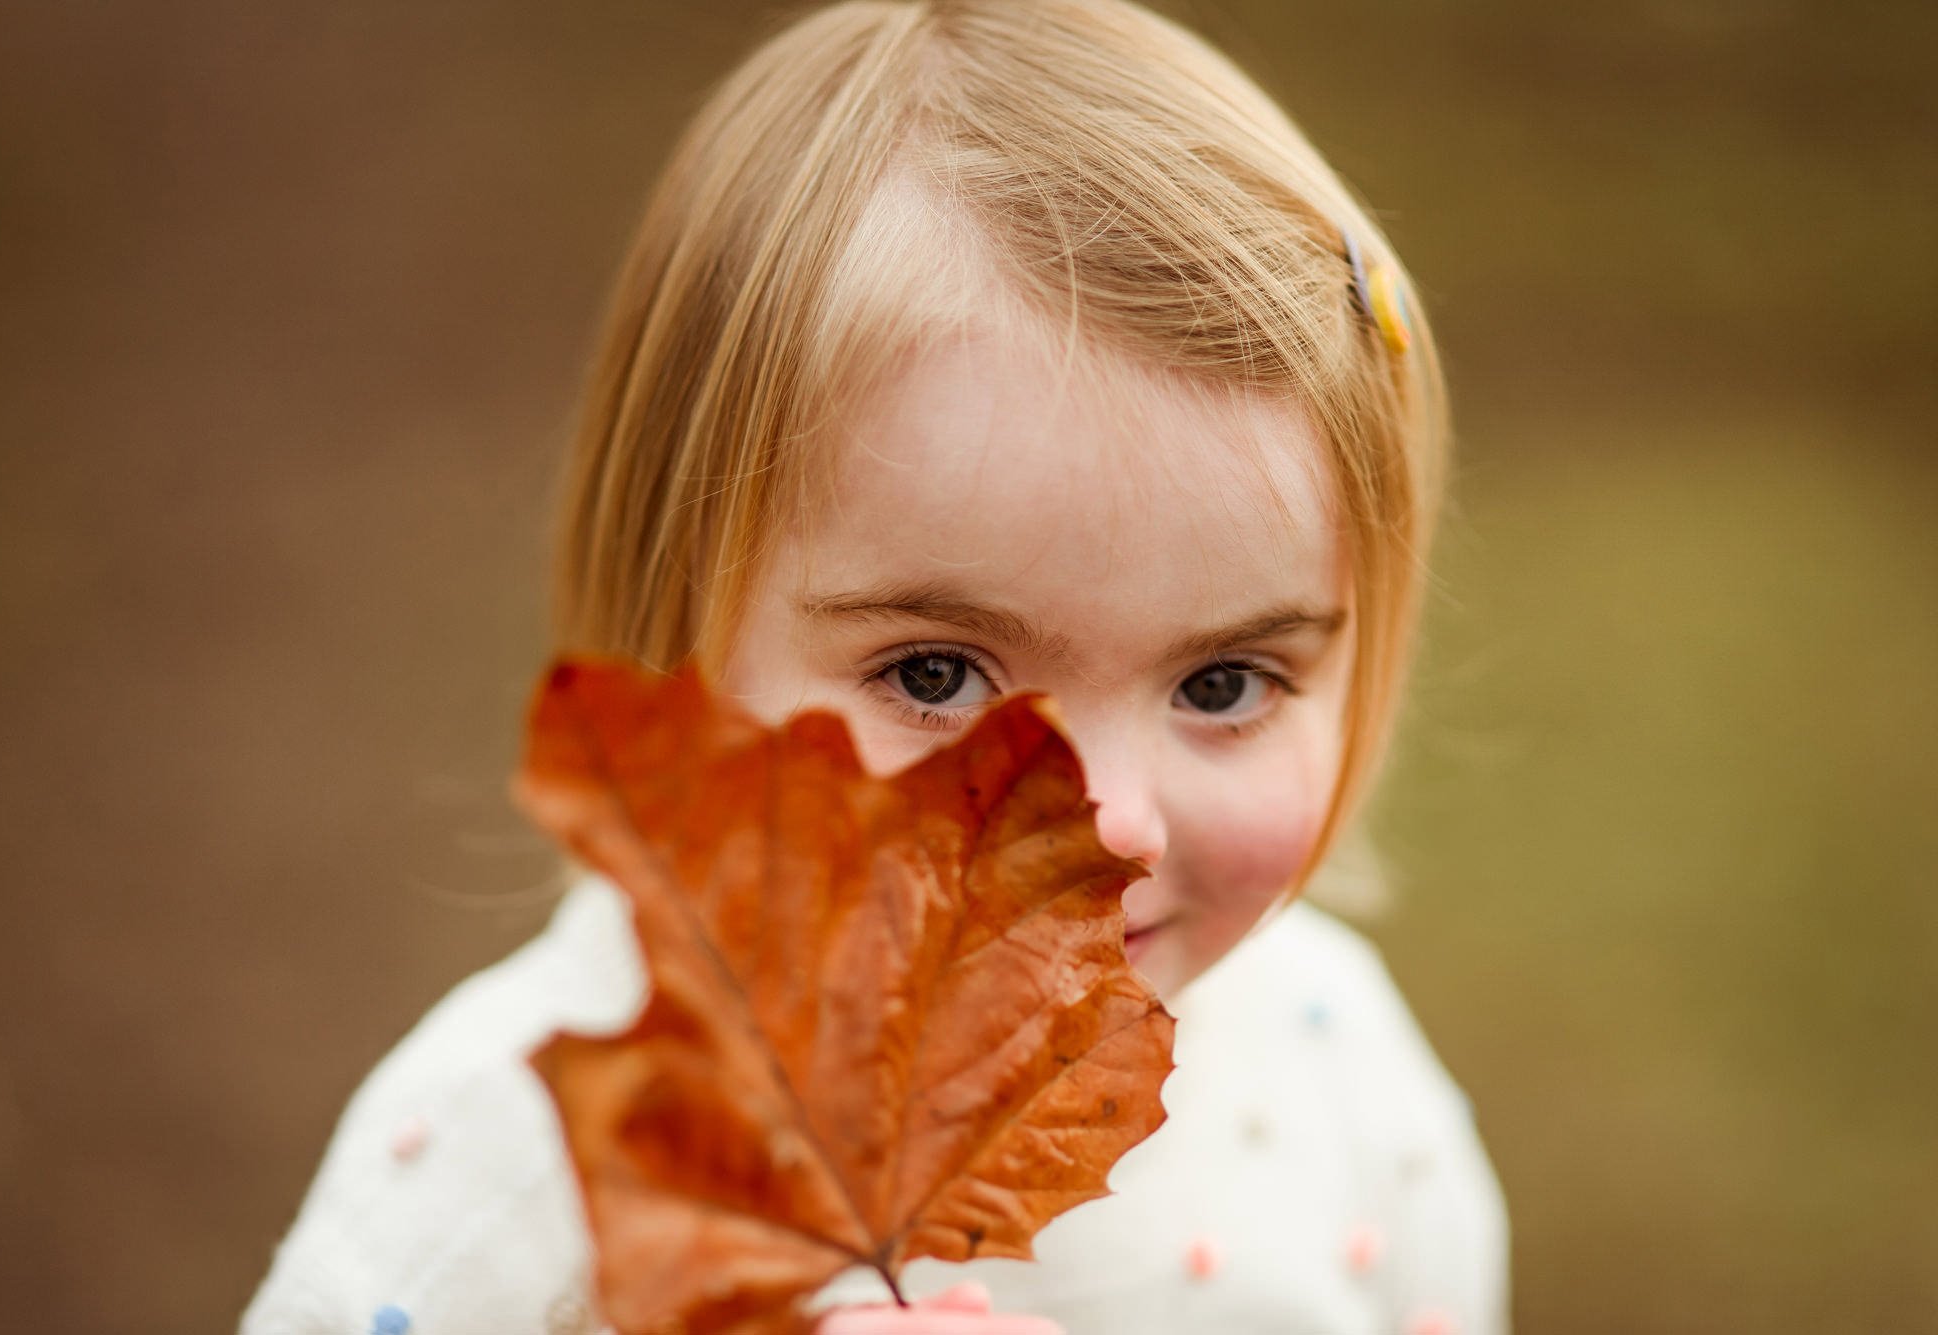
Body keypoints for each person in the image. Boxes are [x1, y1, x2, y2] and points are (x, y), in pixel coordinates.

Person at [242, 1, 1508, 1331]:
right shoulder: (517, 1160)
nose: (1108, 823)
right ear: (680, 652)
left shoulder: (1334, 1073)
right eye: (938, 678)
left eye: (1222, 686)